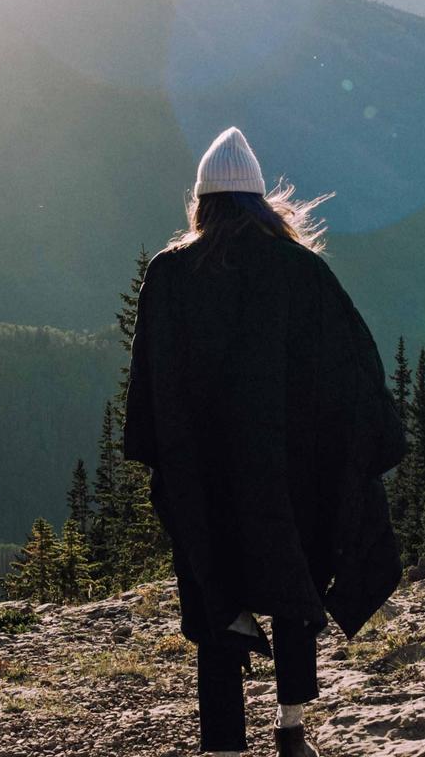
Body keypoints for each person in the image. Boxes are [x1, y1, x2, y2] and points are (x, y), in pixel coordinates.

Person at [125, 126, 407, 757]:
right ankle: (291, 729)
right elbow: (352, 368)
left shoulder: (169, 276)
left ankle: (223, 744)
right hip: (288, 471)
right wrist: (350, 448)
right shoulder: (301, 271)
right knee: (294, 577)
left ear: (204, 202)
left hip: (204, 472)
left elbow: (150, 383)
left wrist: (172, 457)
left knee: (211, 583)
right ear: (259, 201)